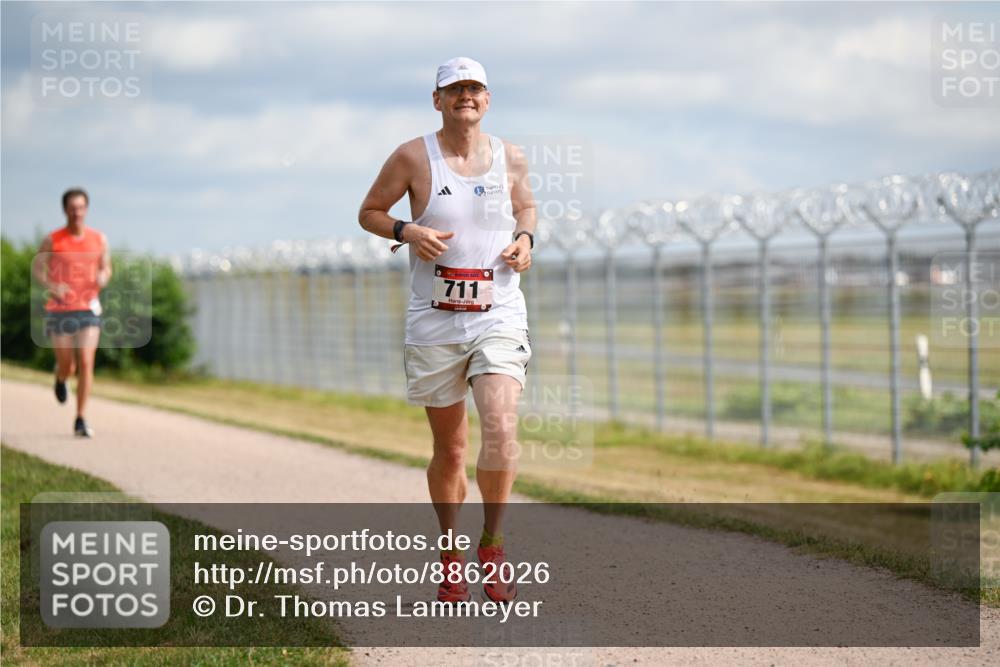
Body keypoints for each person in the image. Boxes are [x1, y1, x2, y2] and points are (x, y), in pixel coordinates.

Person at [359, 57, 536, 604]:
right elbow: (369, 211)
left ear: (488, 99)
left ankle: (494, 544)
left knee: (502, 427)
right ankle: (451, 550)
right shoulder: (414, 155)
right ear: (436, 100)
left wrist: (526, 241)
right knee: (452, 449)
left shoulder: (511, 156)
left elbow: (526, 206)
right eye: (454, 89)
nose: (466, 96)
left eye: (475, 88)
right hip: (434, 318)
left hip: (498, 311)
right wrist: (407, 229)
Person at [34, 188, 111, 438]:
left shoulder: (99, 239)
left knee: (87, 361)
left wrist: (104, 276)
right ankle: (61, 376)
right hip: (60, 310)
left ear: (86, 209)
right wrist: (52, 286)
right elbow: (37, 269)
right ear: (65, 210)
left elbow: (107, 268)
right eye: (72, 207)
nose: (77, 212)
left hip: (88, 309)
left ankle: (80, 418)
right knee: (69, 364)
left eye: (81, 207)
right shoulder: (53, 240)